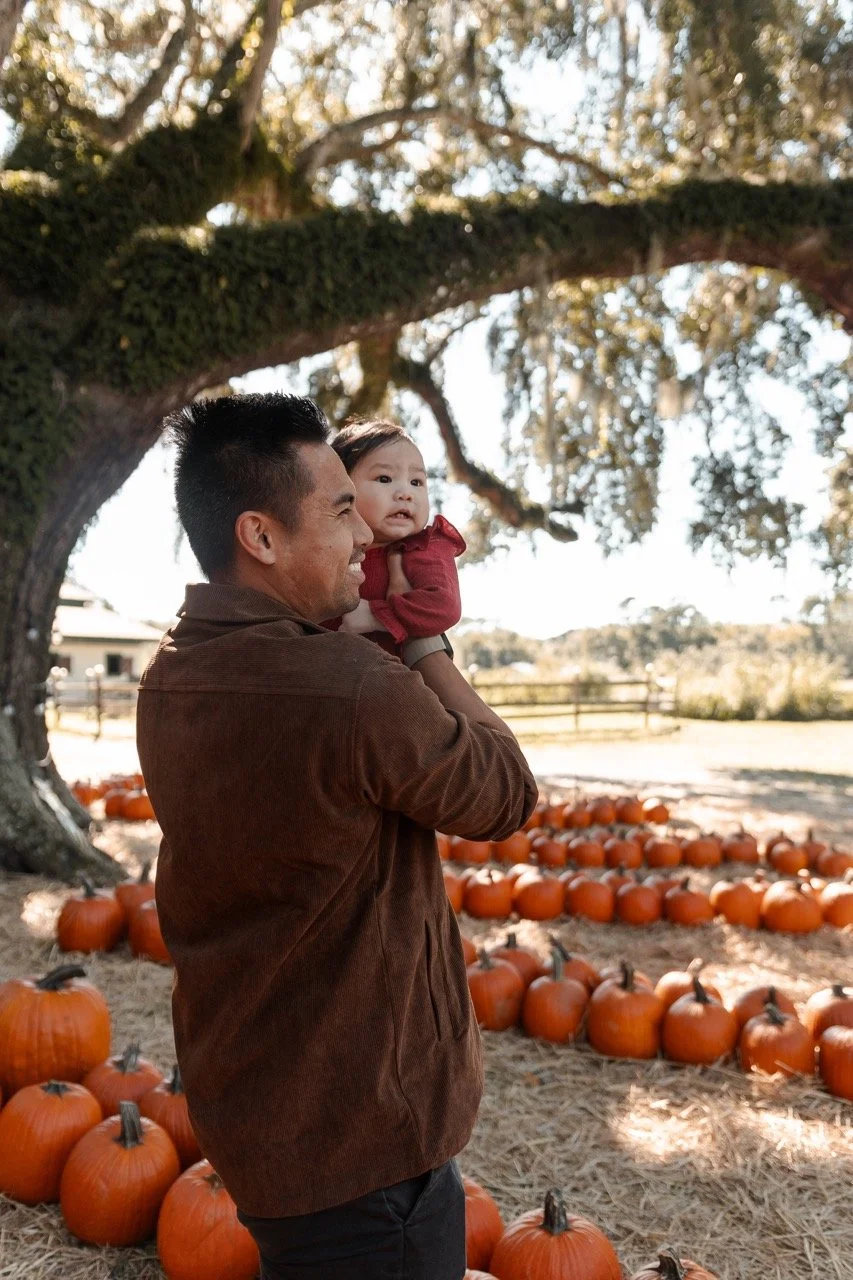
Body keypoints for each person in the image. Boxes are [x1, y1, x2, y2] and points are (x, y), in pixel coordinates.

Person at [135, 392, 537, 1280]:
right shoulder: (348, 687)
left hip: (256, 1108)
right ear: (261, 536)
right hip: (366, 1139)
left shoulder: (170, 673)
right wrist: (427, 646)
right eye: (341, 509)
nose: (365, 538)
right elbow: (504, 794)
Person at [322, 417, 465, 656]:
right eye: (385, 479)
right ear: (342, 488)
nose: (405, 494)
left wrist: (376, 615)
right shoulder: (326, 547)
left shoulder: (421, 547)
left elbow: (444, 605)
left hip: (400, 683)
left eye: (416, 482)